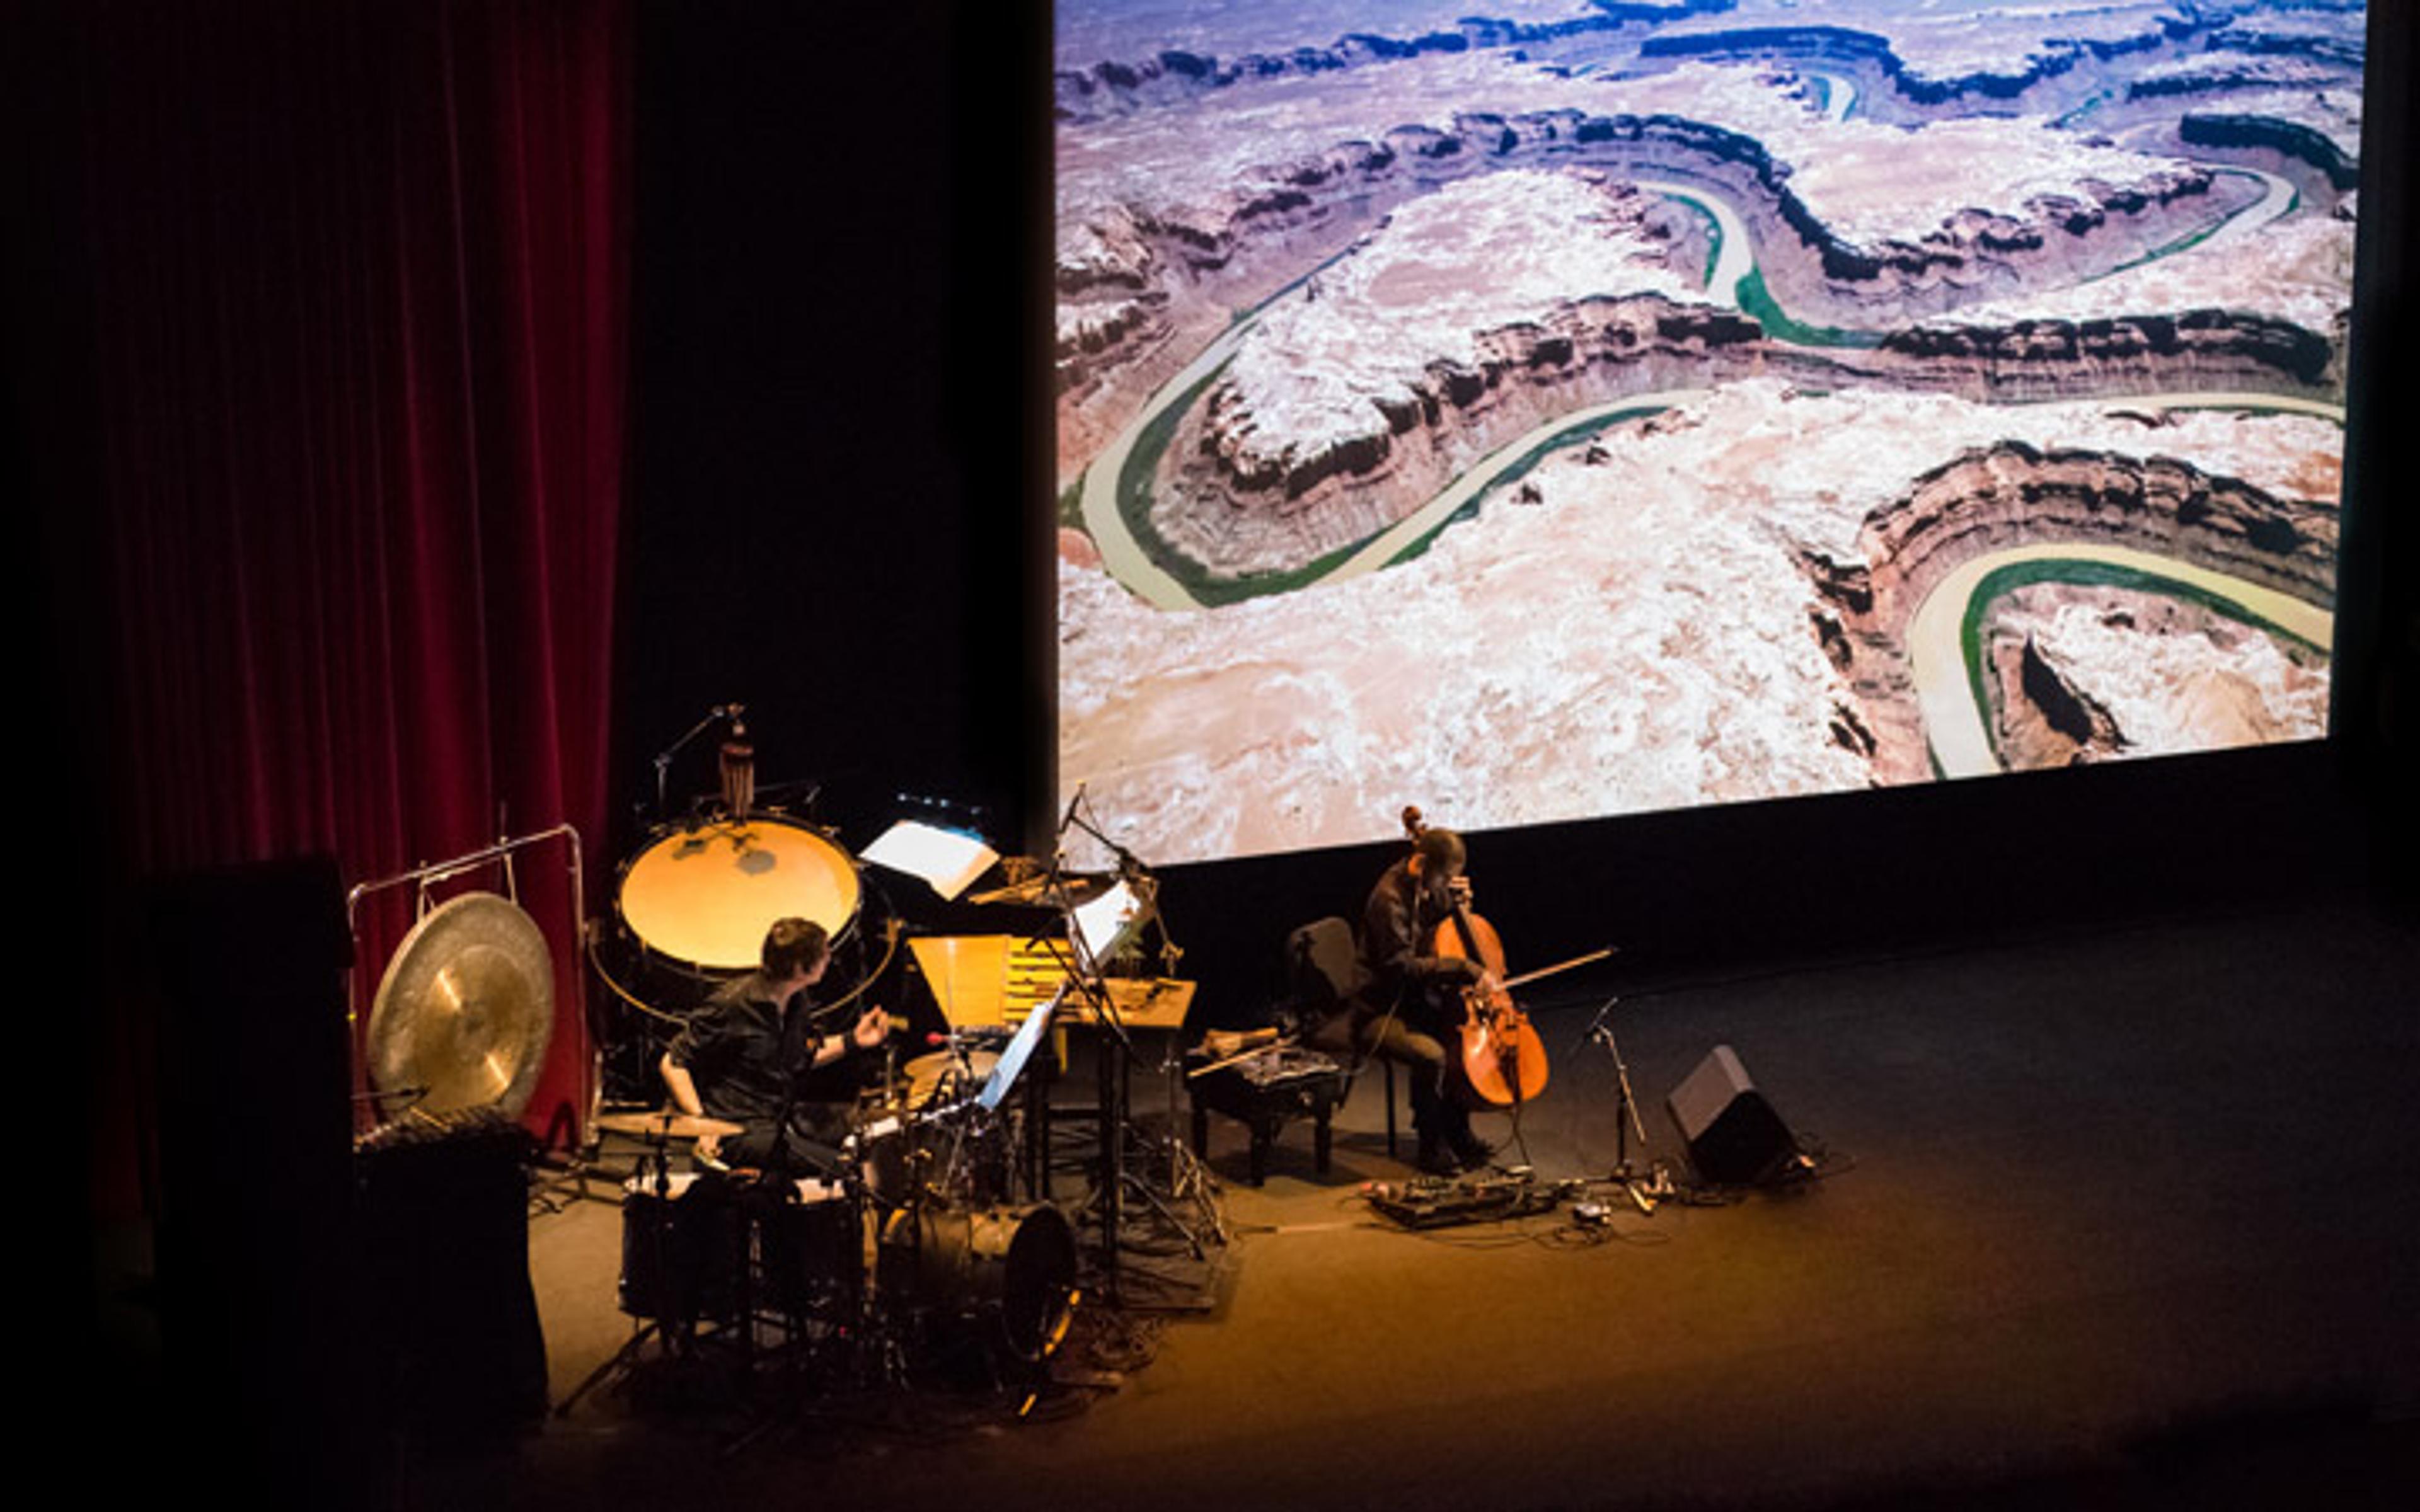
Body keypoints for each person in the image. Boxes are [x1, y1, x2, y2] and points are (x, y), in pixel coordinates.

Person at [659, 917, 889, 1176]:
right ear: (801, 968)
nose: (830, 958)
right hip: (738, 1131)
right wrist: (703, 1123)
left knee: (880, 1134)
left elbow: (800, 1057)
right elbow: (672, 1062)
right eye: (824, 953)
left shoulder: (795, 1000)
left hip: (779, 1119)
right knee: (847, 1171)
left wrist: (853, 1040)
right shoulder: (732, 1005)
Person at [1357, 825, 1495, 1175]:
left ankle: (1458, 1131)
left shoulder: (1421, 885)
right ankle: (1431, 1145)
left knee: (1456, 1043)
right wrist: (1464, 967)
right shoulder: (1388, 900)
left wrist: (1458, 904)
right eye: (1443, 878)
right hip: (1381, 1008)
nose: (1445, 884)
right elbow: (1400, 968)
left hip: (1417, 1001)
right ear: (1421, 864)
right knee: (1432, 1055)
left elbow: (1435, 928)